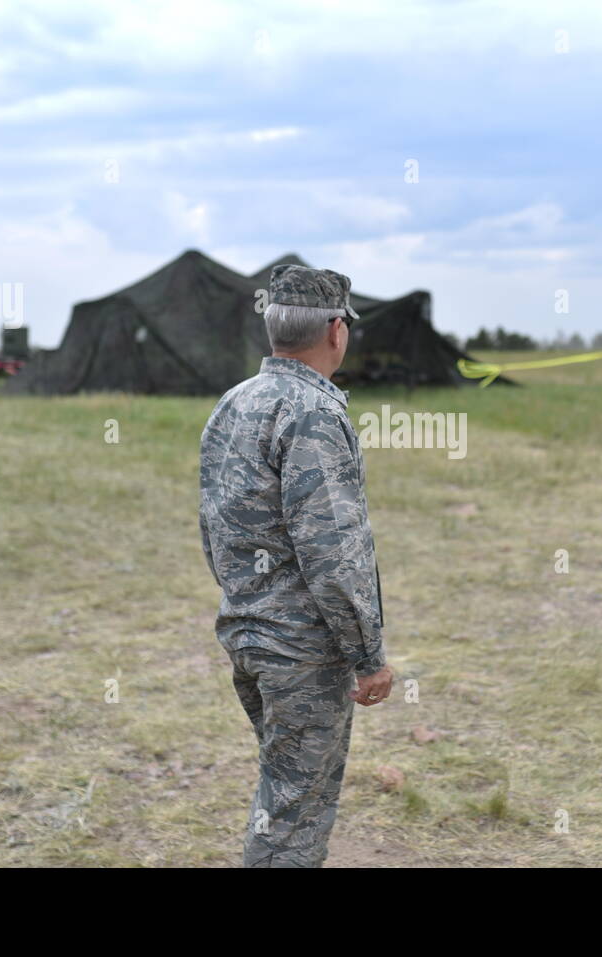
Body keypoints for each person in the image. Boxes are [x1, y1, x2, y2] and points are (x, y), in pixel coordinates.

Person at [199, 264, 392, 867]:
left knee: (282, 790)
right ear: (336, 329)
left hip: (248, 634)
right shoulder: (314, 413)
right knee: (294, 820)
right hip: (303, 655)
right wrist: (368, 654)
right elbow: (334, 555)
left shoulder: (234, 403)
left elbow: (215, 526)